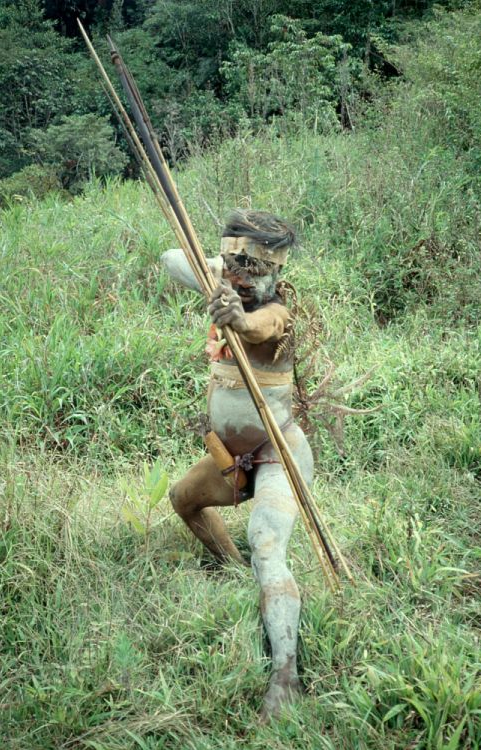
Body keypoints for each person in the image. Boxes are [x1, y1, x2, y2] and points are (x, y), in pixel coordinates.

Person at [161, 209, 314, 719]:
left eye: (255, 267)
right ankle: (233, 569)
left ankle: (285, 674)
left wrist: (238, 312)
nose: (243, 276)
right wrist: (219, 269)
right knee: (182, 500)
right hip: (232, 460)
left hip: (277, 453)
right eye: (235, 262)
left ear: (278, 272)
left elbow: (256, 326)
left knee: (267, 545)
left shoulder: (277, 312)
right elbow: (169, 258)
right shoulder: (224, 279)